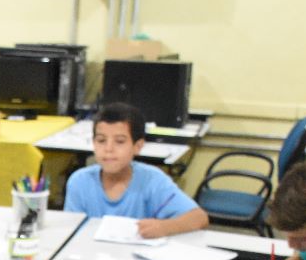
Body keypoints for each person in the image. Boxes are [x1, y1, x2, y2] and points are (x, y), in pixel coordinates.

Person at [64, 102, 209, 238]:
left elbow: (199, 218)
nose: (108, 149)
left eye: (120, 141)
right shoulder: (79, 181)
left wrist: (164, 227)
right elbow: (70, 232)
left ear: (137, 146)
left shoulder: (152, 180)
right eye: (101, 140)